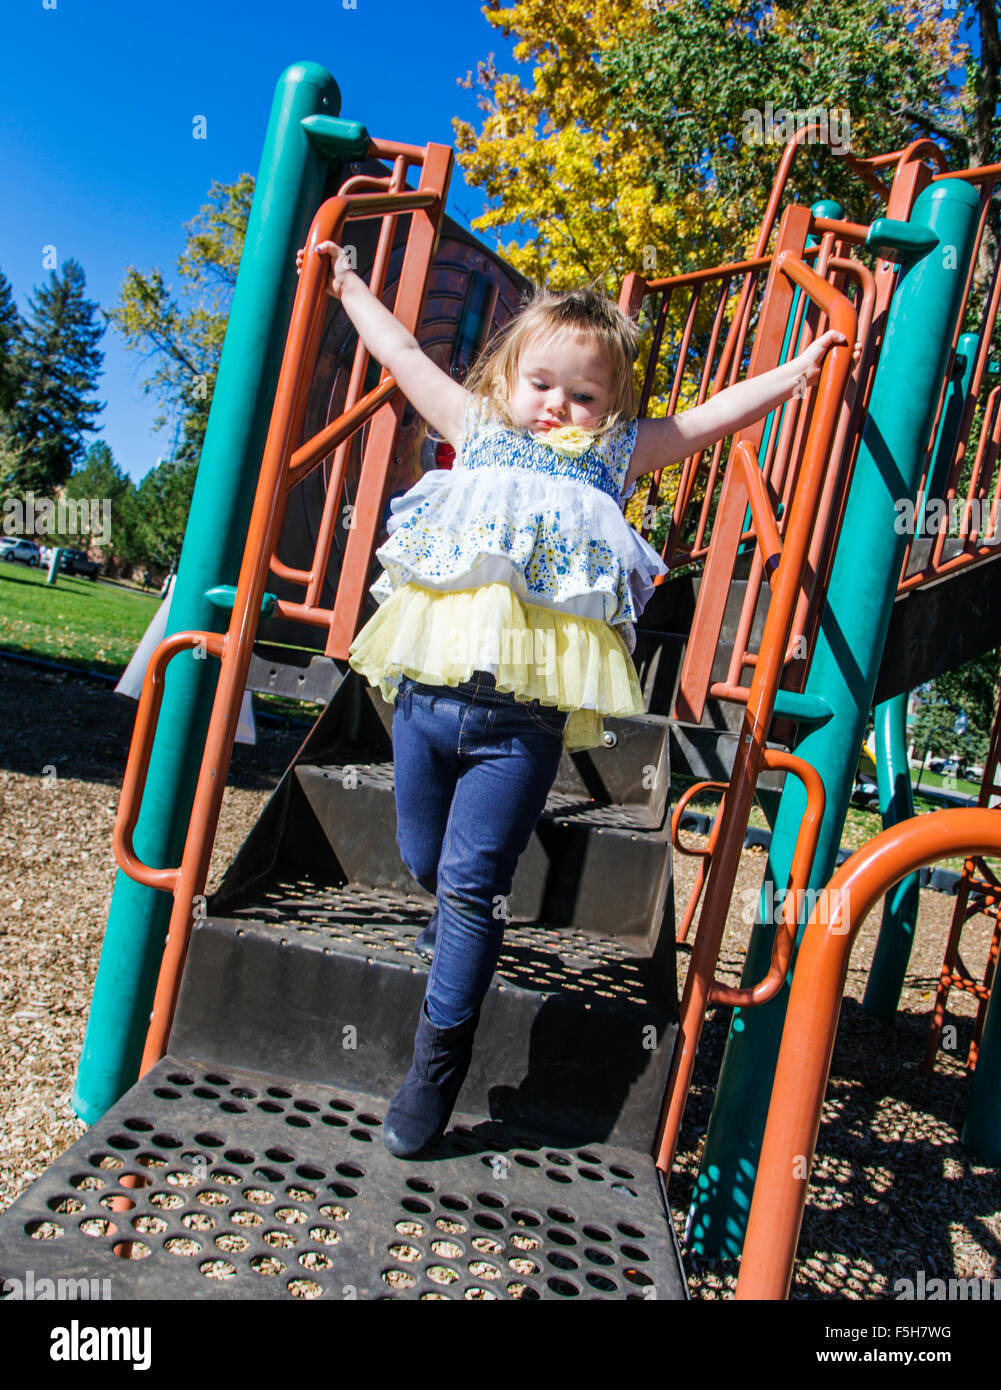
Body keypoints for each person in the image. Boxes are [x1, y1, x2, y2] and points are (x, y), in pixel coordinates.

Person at [297, 239, 850, 1159]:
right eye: (543, 384)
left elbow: (713, 416)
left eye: (584, 396)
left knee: (471, 891)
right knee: (422, 860)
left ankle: (435, 1065)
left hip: (521, 726)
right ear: (509, 379)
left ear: (612, 409)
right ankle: (452, 937)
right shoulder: (473, 427)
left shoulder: (615, 459)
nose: (560, 406)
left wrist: (796, 371)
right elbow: (400, 355)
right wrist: (351, 281)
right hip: (427, 703)